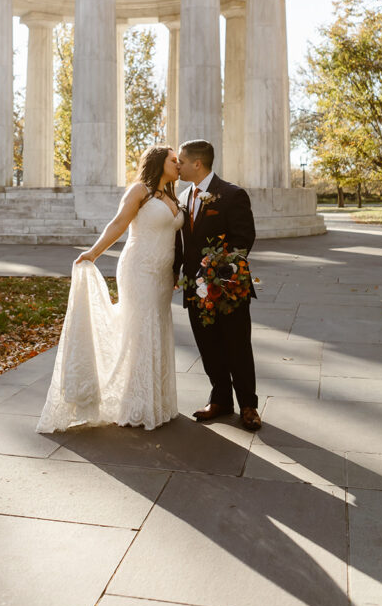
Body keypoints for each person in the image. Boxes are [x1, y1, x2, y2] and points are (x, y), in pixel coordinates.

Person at [36, 145, 183, 433]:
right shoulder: (139, 190)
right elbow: (118, 224)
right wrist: (93, 253)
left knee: (157, 326)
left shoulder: (173, 197)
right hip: (138, 269)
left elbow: (177, 239)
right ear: (158, 162)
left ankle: (158, 401)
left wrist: (178, 270)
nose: (178, 164)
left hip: (163, 274)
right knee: (140, 329)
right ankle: (136, 403)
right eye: (173, 160)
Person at [174, 139, 261, 431]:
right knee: (208, 346)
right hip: (194, 289)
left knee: (237, 346)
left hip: (228, 289)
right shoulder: (184, 196)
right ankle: (220, 399)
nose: (178, 166)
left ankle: (249, 405)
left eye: (182, 161)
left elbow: (243, 240)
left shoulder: (232, 194)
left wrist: (219, 271)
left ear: (197, 163)